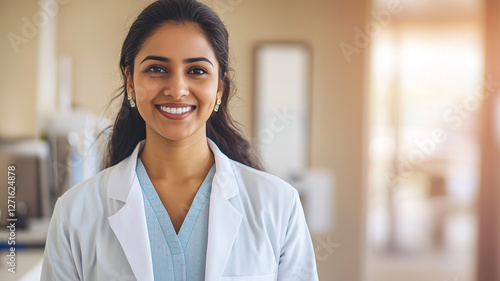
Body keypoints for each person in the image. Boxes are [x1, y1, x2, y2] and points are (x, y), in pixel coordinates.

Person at [41, 0, 319, 280]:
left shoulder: (279, 205)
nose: (177, 90)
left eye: (196, 71)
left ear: (219, 86)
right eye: (157, 69)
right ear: (130, 82)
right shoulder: (74, 213)